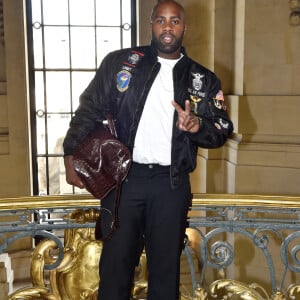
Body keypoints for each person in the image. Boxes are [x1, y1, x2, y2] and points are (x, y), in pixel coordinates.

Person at [63, 0, 233, 299]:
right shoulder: (120, 63)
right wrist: (70, 153)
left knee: (165, 273)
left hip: (171, 184)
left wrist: (197, 127)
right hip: (123, 182)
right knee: (115, 269)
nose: (168, 27)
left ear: (184, 27)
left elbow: (222, 129)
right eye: (161, 20)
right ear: (151, 23)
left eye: (175, 21)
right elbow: (88, 109)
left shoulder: (202, 79)